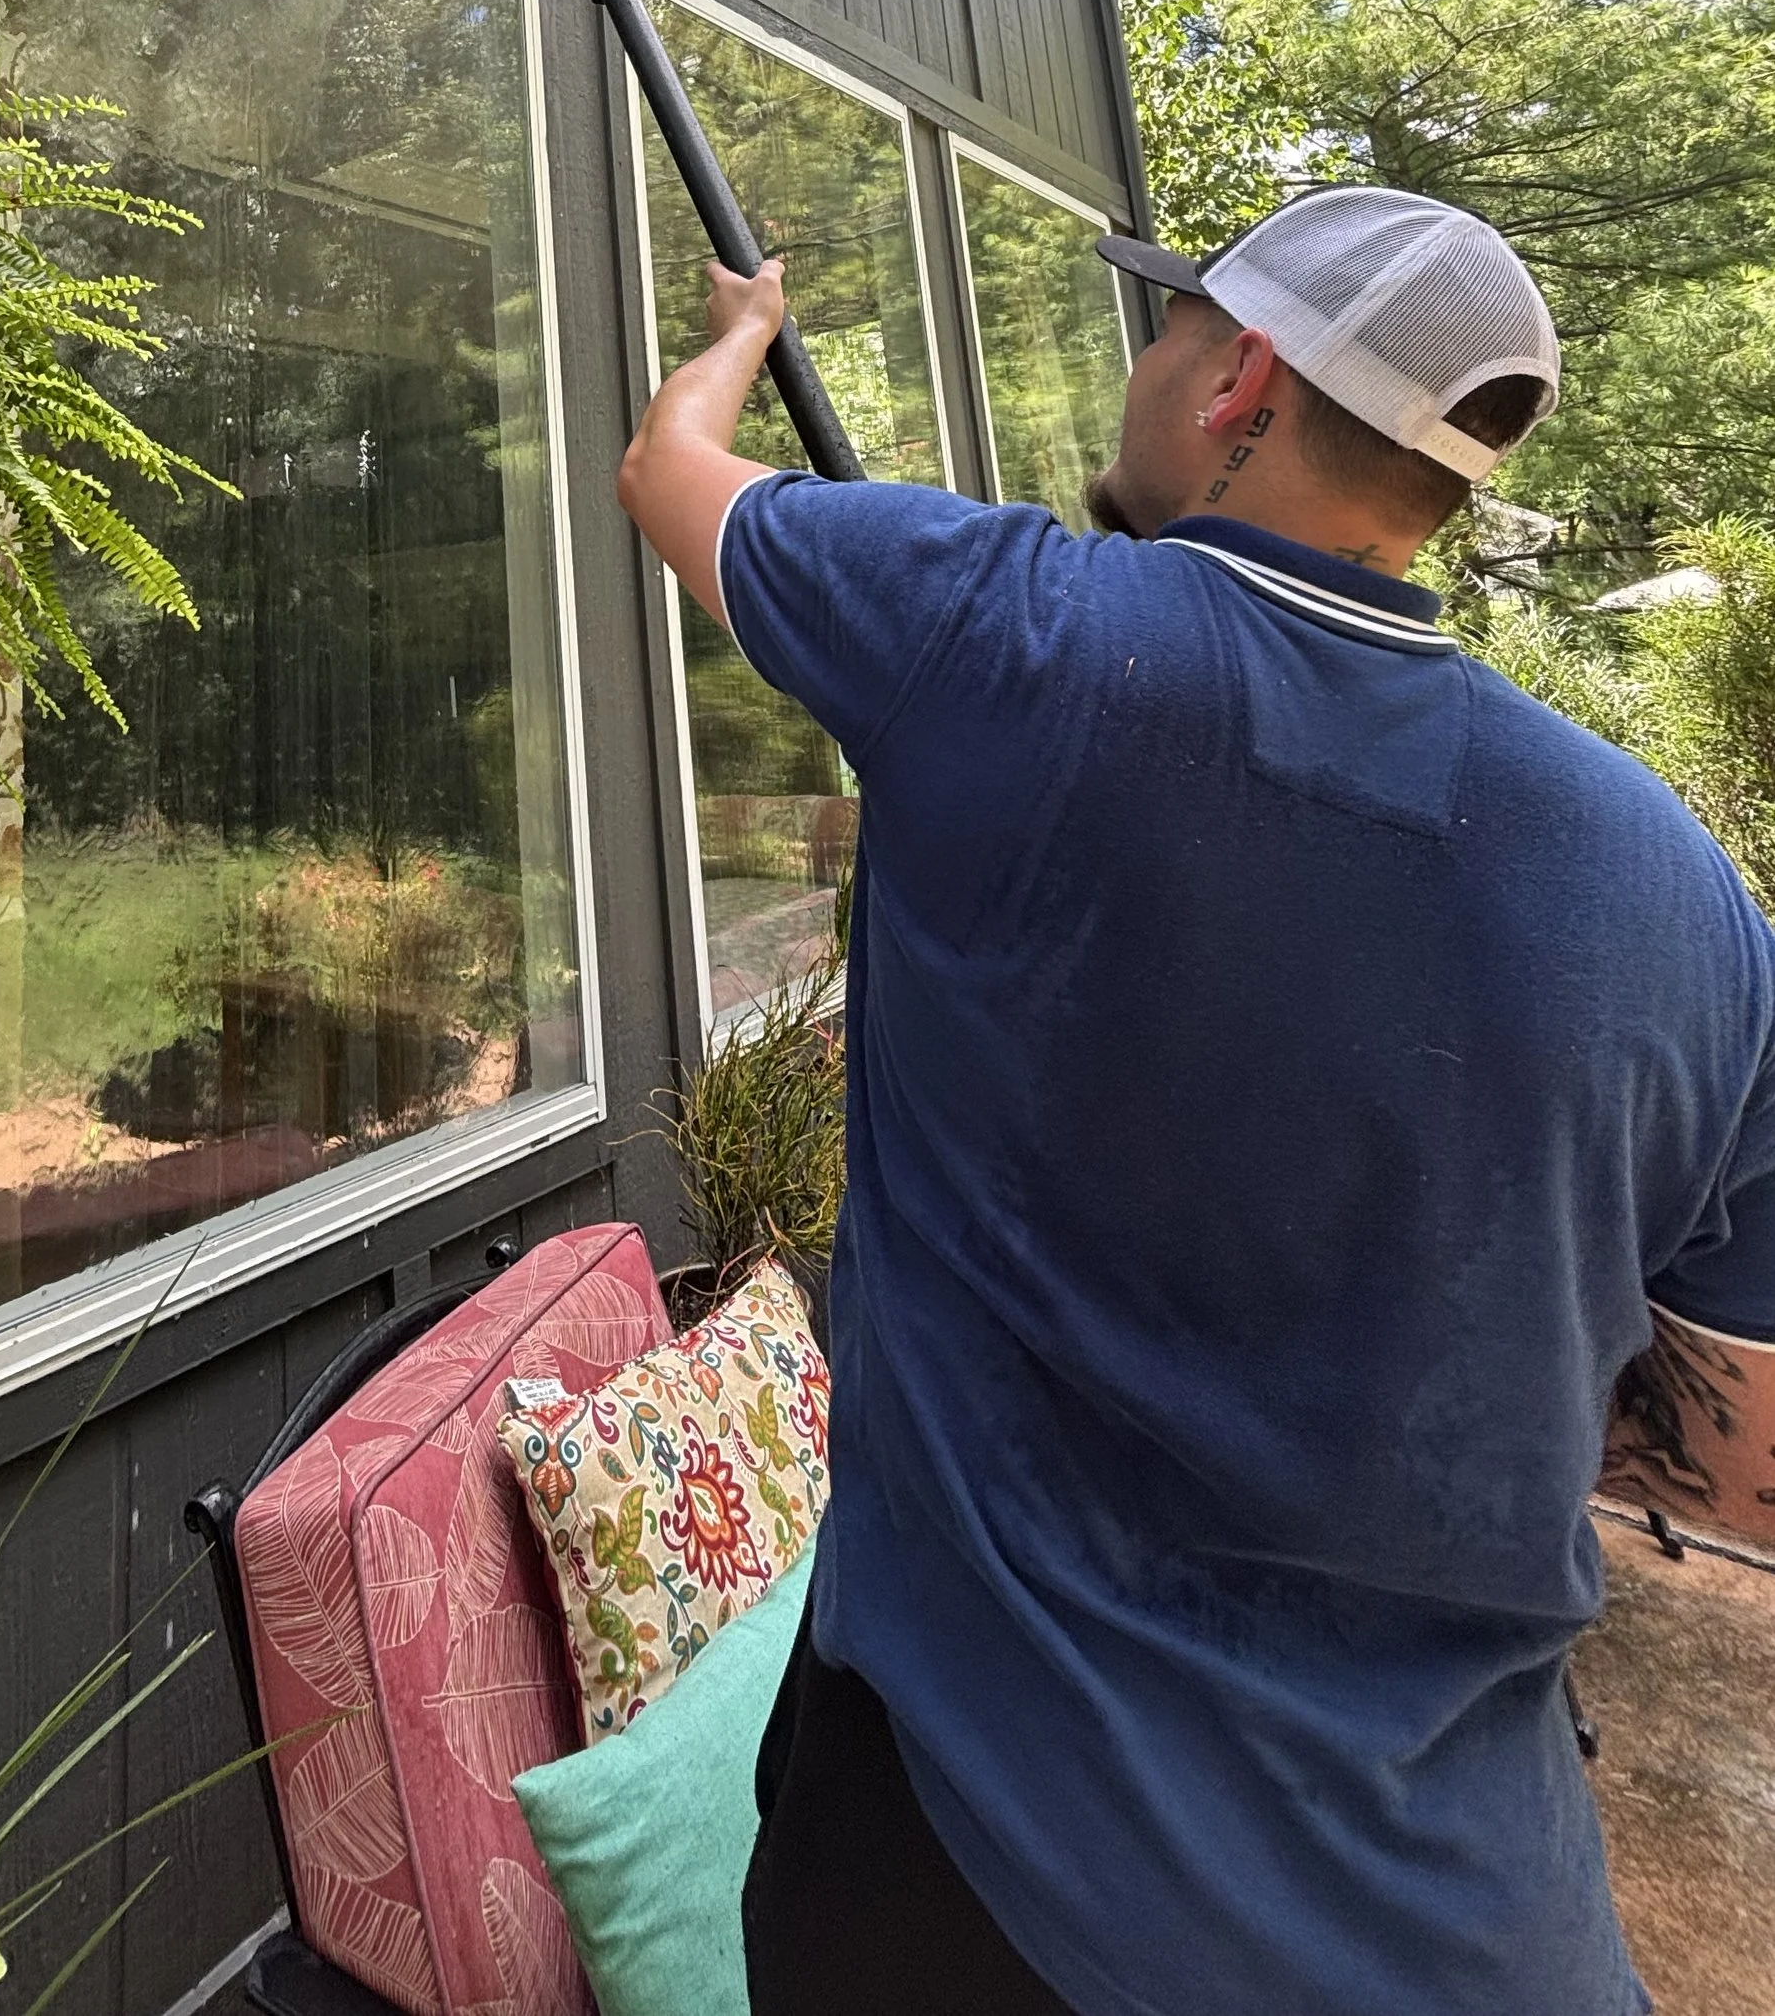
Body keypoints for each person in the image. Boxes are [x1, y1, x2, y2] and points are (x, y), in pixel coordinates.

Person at [614, 186, 1775, 2016]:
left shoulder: (998, 636)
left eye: (1166, 331)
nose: (1141, 367)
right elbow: (1740, 1468)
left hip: (972, 1883)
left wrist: (746, 330)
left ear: (1240, 379)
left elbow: (672, 473)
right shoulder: (1688, 900)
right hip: (1471, 1932)